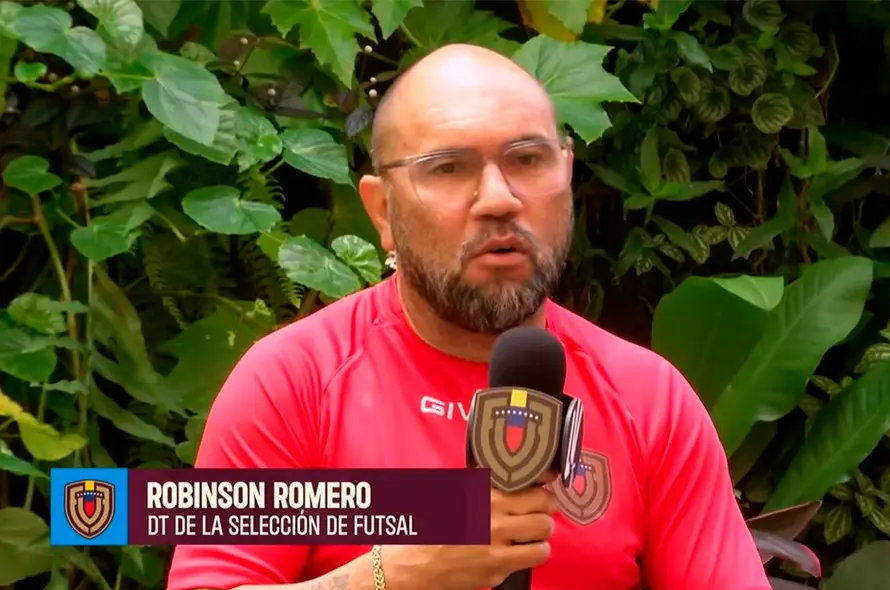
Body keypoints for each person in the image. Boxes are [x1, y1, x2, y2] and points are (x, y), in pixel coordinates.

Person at [165, 43, 770, 590]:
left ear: (566, 176)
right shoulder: (294, 382)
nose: (500, 198)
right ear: (382, 211)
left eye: (528, 160)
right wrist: (388, 577)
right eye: (448, 168)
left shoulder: (648, 398)